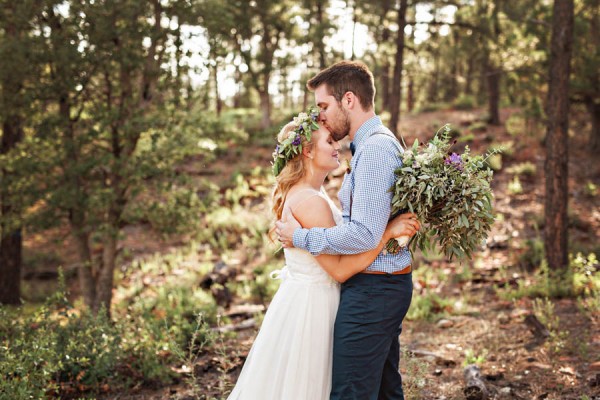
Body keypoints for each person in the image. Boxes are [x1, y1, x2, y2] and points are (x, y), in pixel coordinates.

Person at [227, 107, 420, 399]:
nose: (337, 146)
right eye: (328, 142)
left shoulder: (310, 194)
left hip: (308, 298)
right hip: (314, 308)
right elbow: (340, 270)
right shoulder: (309, 201)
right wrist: (386, 234)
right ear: (306, 151)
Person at [275, 60, 413, 399]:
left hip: (374, 292)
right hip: (375, 287)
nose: (320, 115)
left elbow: (362, 234)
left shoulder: (376, 148)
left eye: (324, 106)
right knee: (383, 391)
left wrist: (300, 237)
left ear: (348, 100)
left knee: (352, 393)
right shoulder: (368, 146)